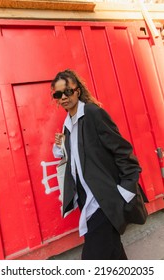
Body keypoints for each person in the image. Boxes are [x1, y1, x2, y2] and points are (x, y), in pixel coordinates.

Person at [51, 69, 142, 260]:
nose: (64, 97)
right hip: (87, 198)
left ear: (77, 91)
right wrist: (60, 145)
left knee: (93, 258)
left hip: (103, 198)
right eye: (58, 94)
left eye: (67, 91)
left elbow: (123, 152)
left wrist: (125, 191)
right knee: (113, 253)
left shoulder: (93, 113)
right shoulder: (68, 123)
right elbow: (71, 158)